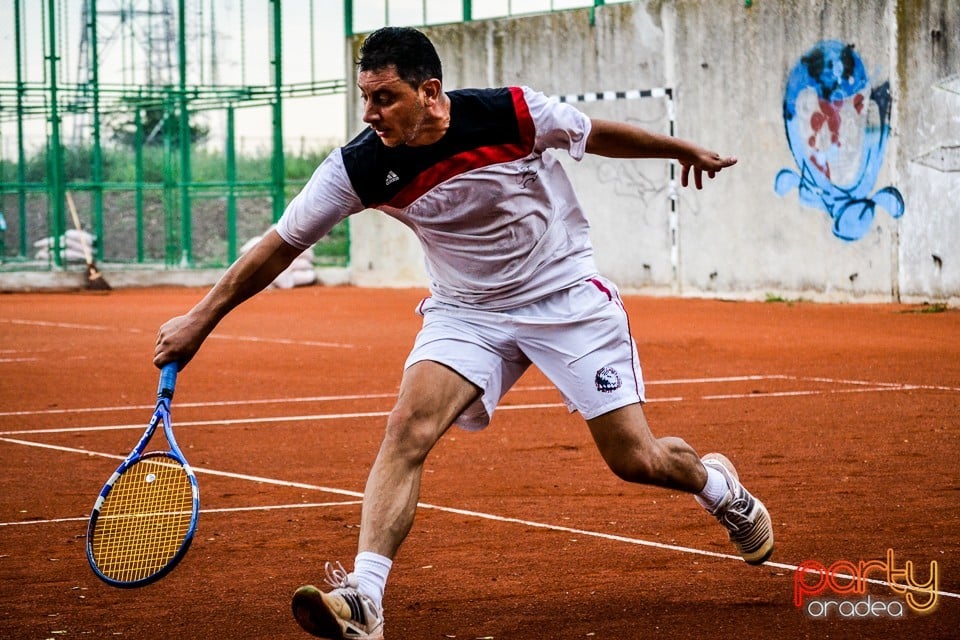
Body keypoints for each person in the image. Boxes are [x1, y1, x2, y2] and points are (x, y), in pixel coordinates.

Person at [154, 26, 774, 640]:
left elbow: (594, 132)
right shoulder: (360, 167)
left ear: (430, 92)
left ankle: (718, 488)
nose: (369, 113)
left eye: (384, 97)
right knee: (407, 428)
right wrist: (199, 319)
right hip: (466, 311)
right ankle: (366, 598)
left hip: (563, 298)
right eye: (364, 97)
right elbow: (280, 244)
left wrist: (679, 149)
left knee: (636, 460)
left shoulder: (510, 113)